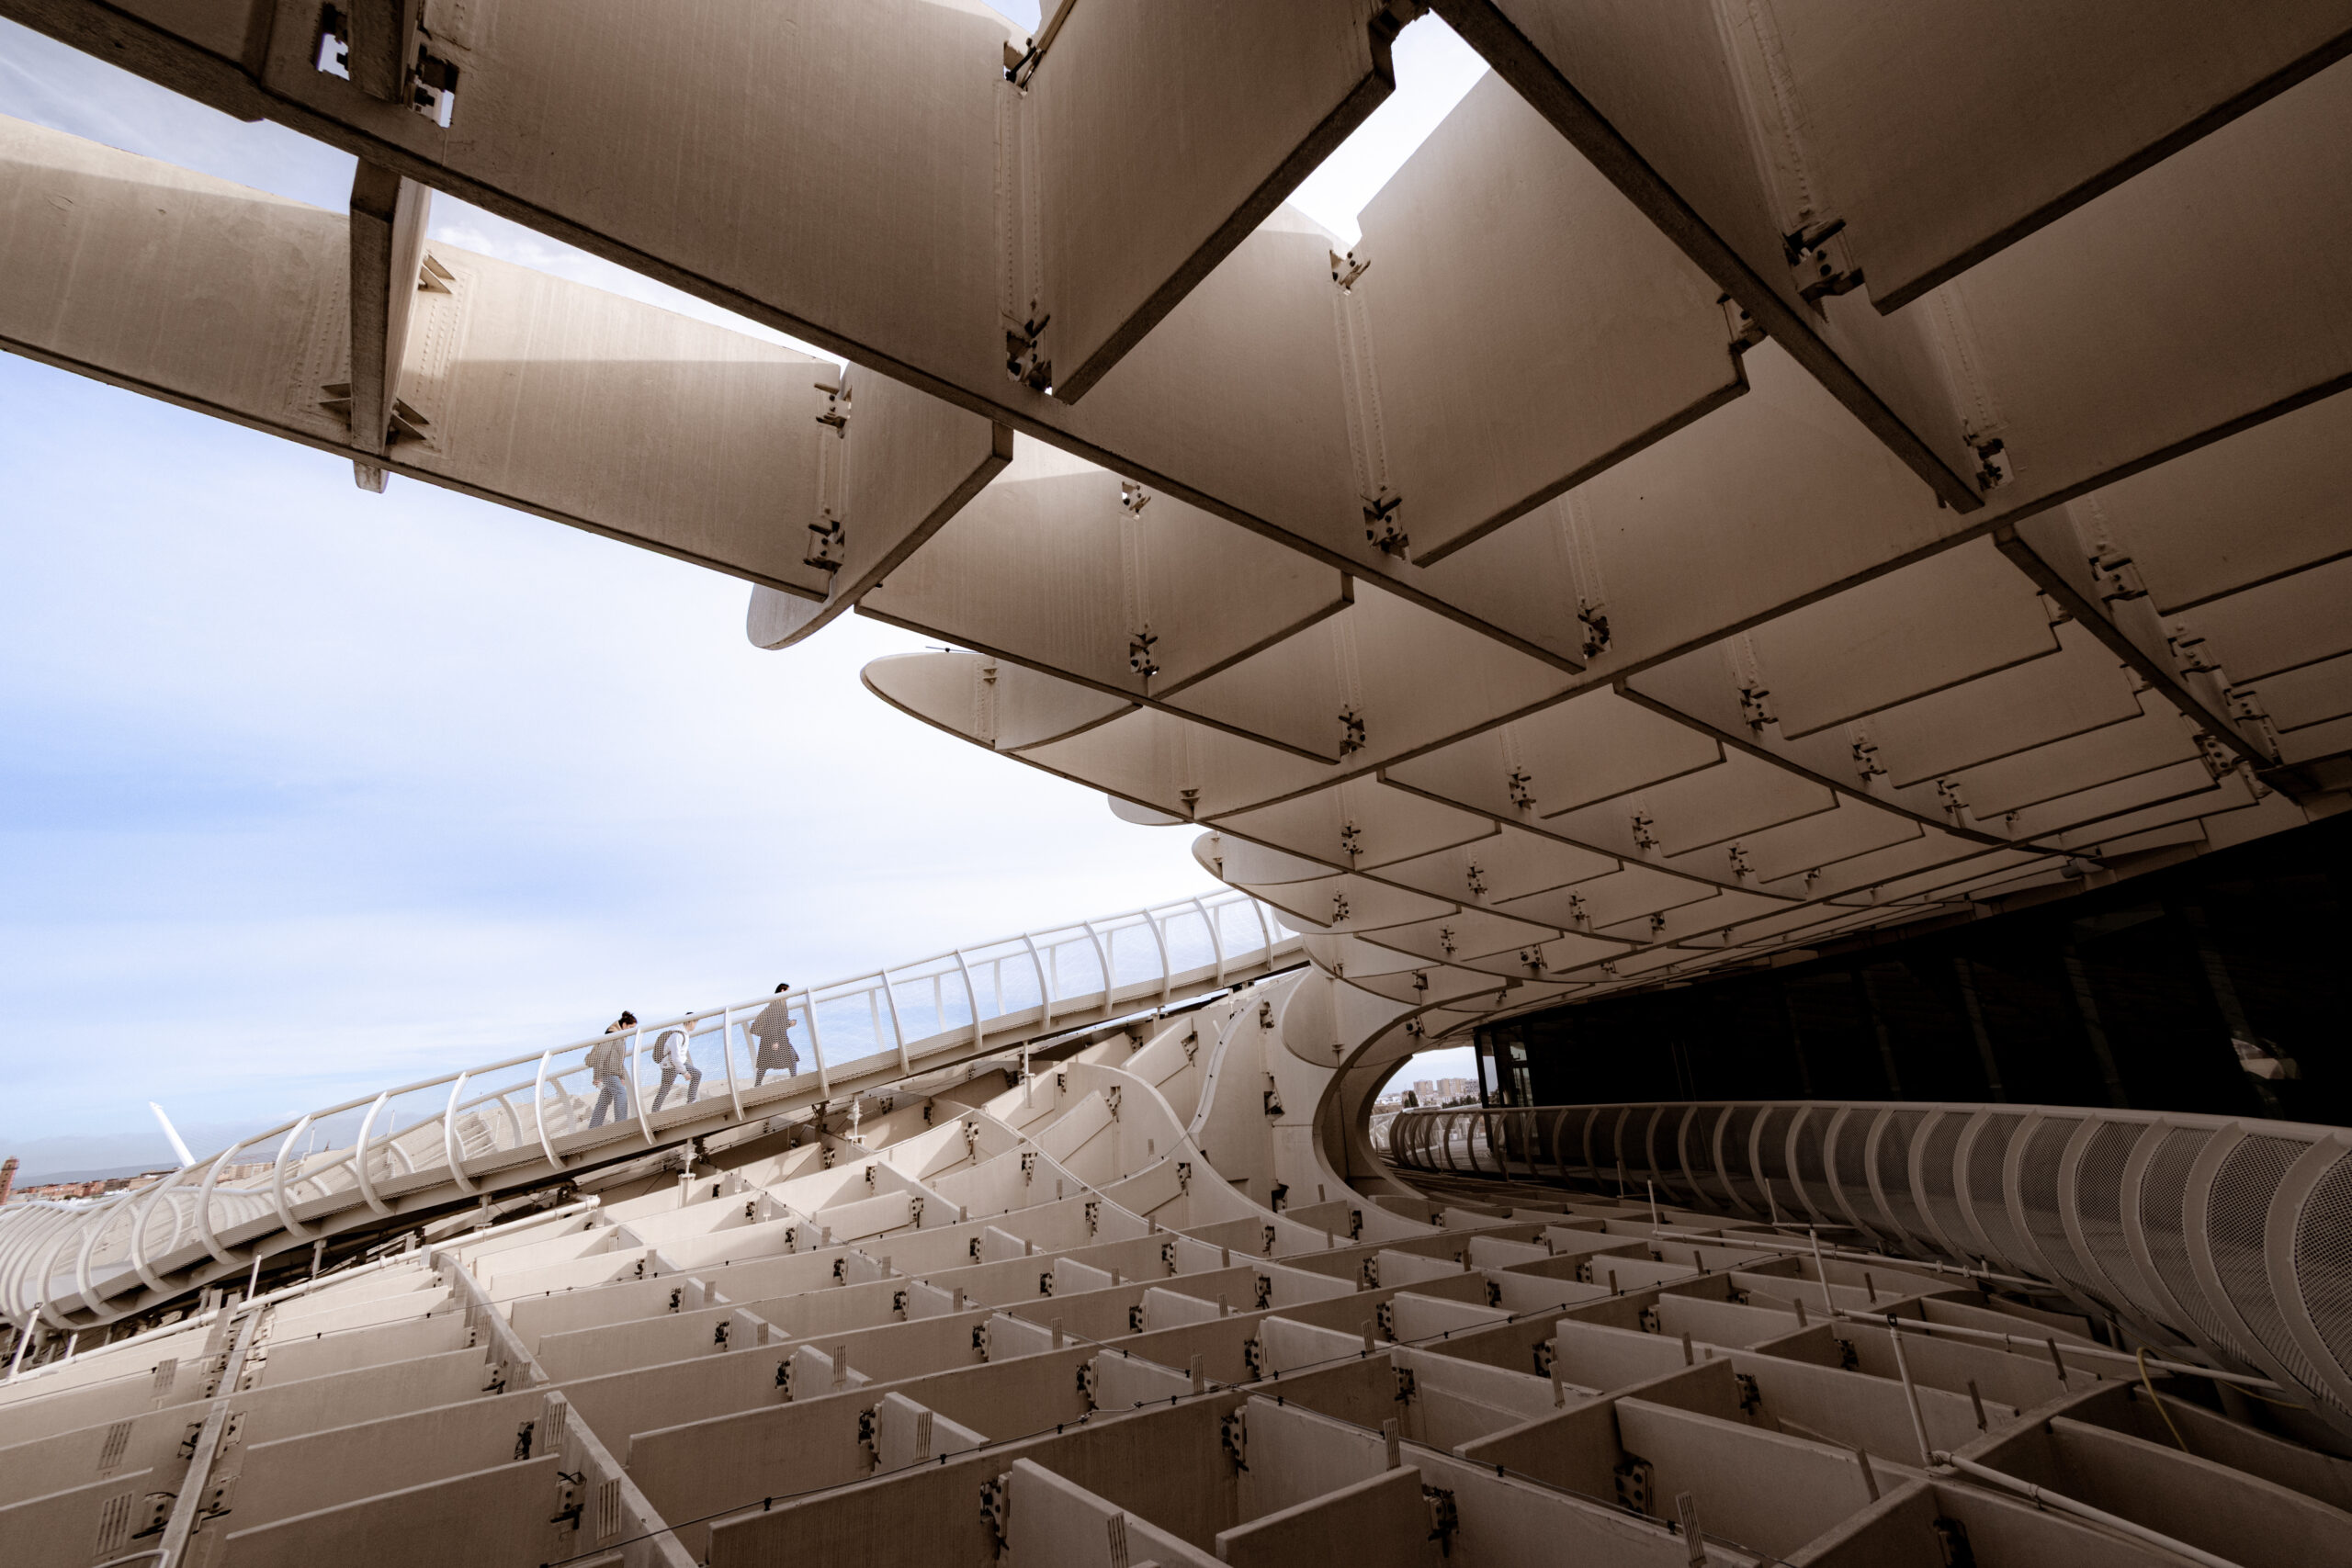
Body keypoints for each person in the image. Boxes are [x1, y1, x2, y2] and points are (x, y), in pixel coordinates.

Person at [586, 1012, 636, 1128]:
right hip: (607, 1073)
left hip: (613, 1074)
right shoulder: (611, 1035)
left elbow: (619, 1060)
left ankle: (593, 1127)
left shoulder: (620, 1038)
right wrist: (597, 1077)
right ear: (624, 1024)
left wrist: (621, 1076)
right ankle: (621, 1123)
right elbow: (601, 1056)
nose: (631, 1031)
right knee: (621, 1093)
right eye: (630, 1027)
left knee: (603, 1101)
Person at [749, 984, 801, 1086]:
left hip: (772, 1038)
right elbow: (774, 1023)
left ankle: (757, 1084)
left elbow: (779, 1022)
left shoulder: (779, 1004)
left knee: (766, 1062)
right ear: (782, 991)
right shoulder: (777, 1004)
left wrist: (789, 1023)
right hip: (775, 1038)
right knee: (789, 1057)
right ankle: (794, 1079)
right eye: (788, 991)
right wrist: (775, 1041)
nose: (789, 994)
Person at [650, 1023, 703, 1111]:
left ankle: (691, 1101)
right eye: (695, 1022)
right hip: (670, 1066)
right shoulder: (677, 1035)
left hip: (677, 1063)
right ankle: (655, 1111)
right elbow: (675, 1058)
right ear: (690, 1022)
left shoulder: (682, 1033)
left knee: (697, 1074)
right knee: (665, 1088)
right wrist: (685, 1072)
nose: (695, 1025)